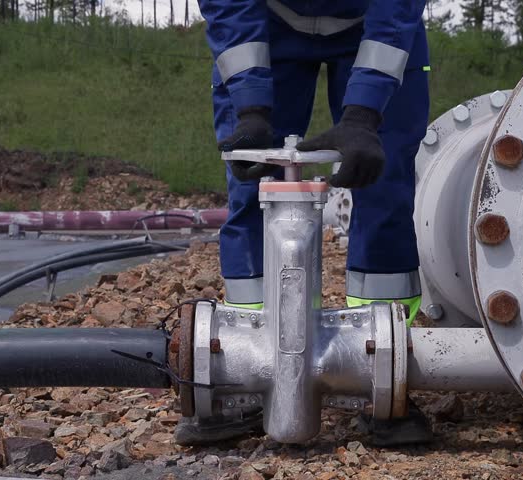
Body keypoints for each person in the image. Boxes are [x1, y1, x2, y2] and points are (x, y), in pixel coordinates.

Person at [174, 0, 434, 446]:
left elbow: (397, 10)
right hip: (267, 23)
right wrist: (251, 107)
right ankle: (242, 366)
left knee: (382, 184)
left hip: (373, 24)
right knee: (254, 183)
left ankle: (384, 370)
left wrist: (364, 115)